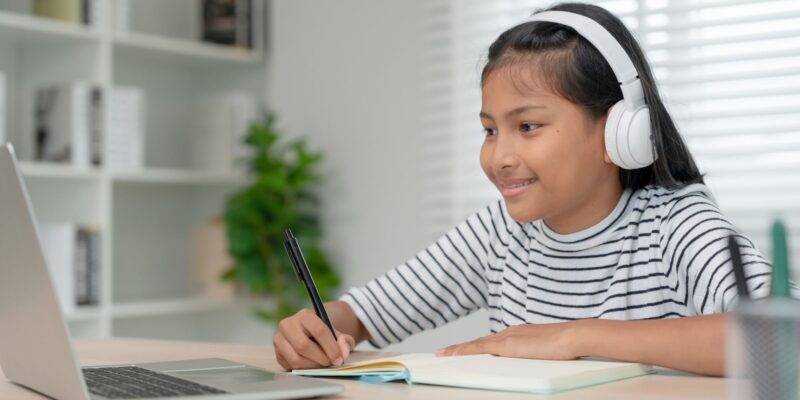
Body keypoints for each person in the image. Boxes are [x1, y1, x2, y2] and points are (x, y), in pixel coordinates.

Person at [272, 2, 774, 377]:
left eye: (527, 126)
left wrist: (574, 337)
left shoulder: (674, 225)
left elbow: (781, 337)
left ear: (620, 131)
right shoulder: (500, 232)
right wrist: (316, 330)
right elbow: (363, 314)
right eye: (490, 130)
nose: (499, 156)